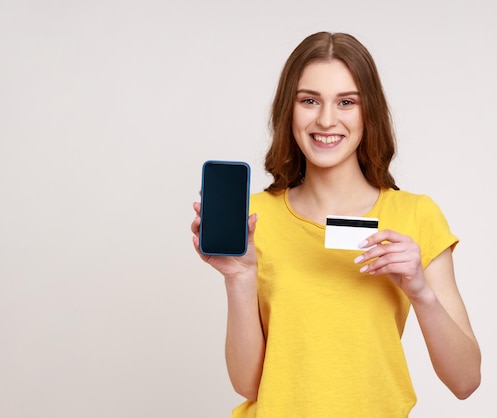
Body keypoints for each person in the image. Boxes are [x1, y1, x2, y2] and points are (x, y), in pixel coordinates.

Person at [191, 31, 481, 418]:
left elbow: (465, 381)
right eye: (309, 101)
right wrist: (239, 277)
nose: (326, 119)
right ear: (288, 111)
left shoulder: (415, 216)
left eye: (346, 102)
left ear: (368, 112)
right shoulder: (254, 220)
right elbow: (249, 385)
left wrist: (421, 291)